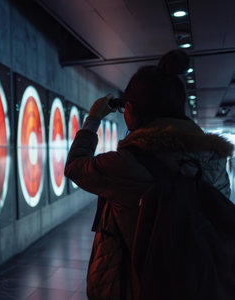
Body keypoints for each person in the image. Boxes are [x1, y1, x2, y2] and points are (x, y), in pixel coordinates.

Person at [64, 50, 234, 300]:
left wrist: (93, 119)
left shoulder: (127, 164)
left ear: (130, 108)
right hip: (197, 280)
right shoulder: (214, 159)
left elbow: (76, 166)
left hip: (135, 285)